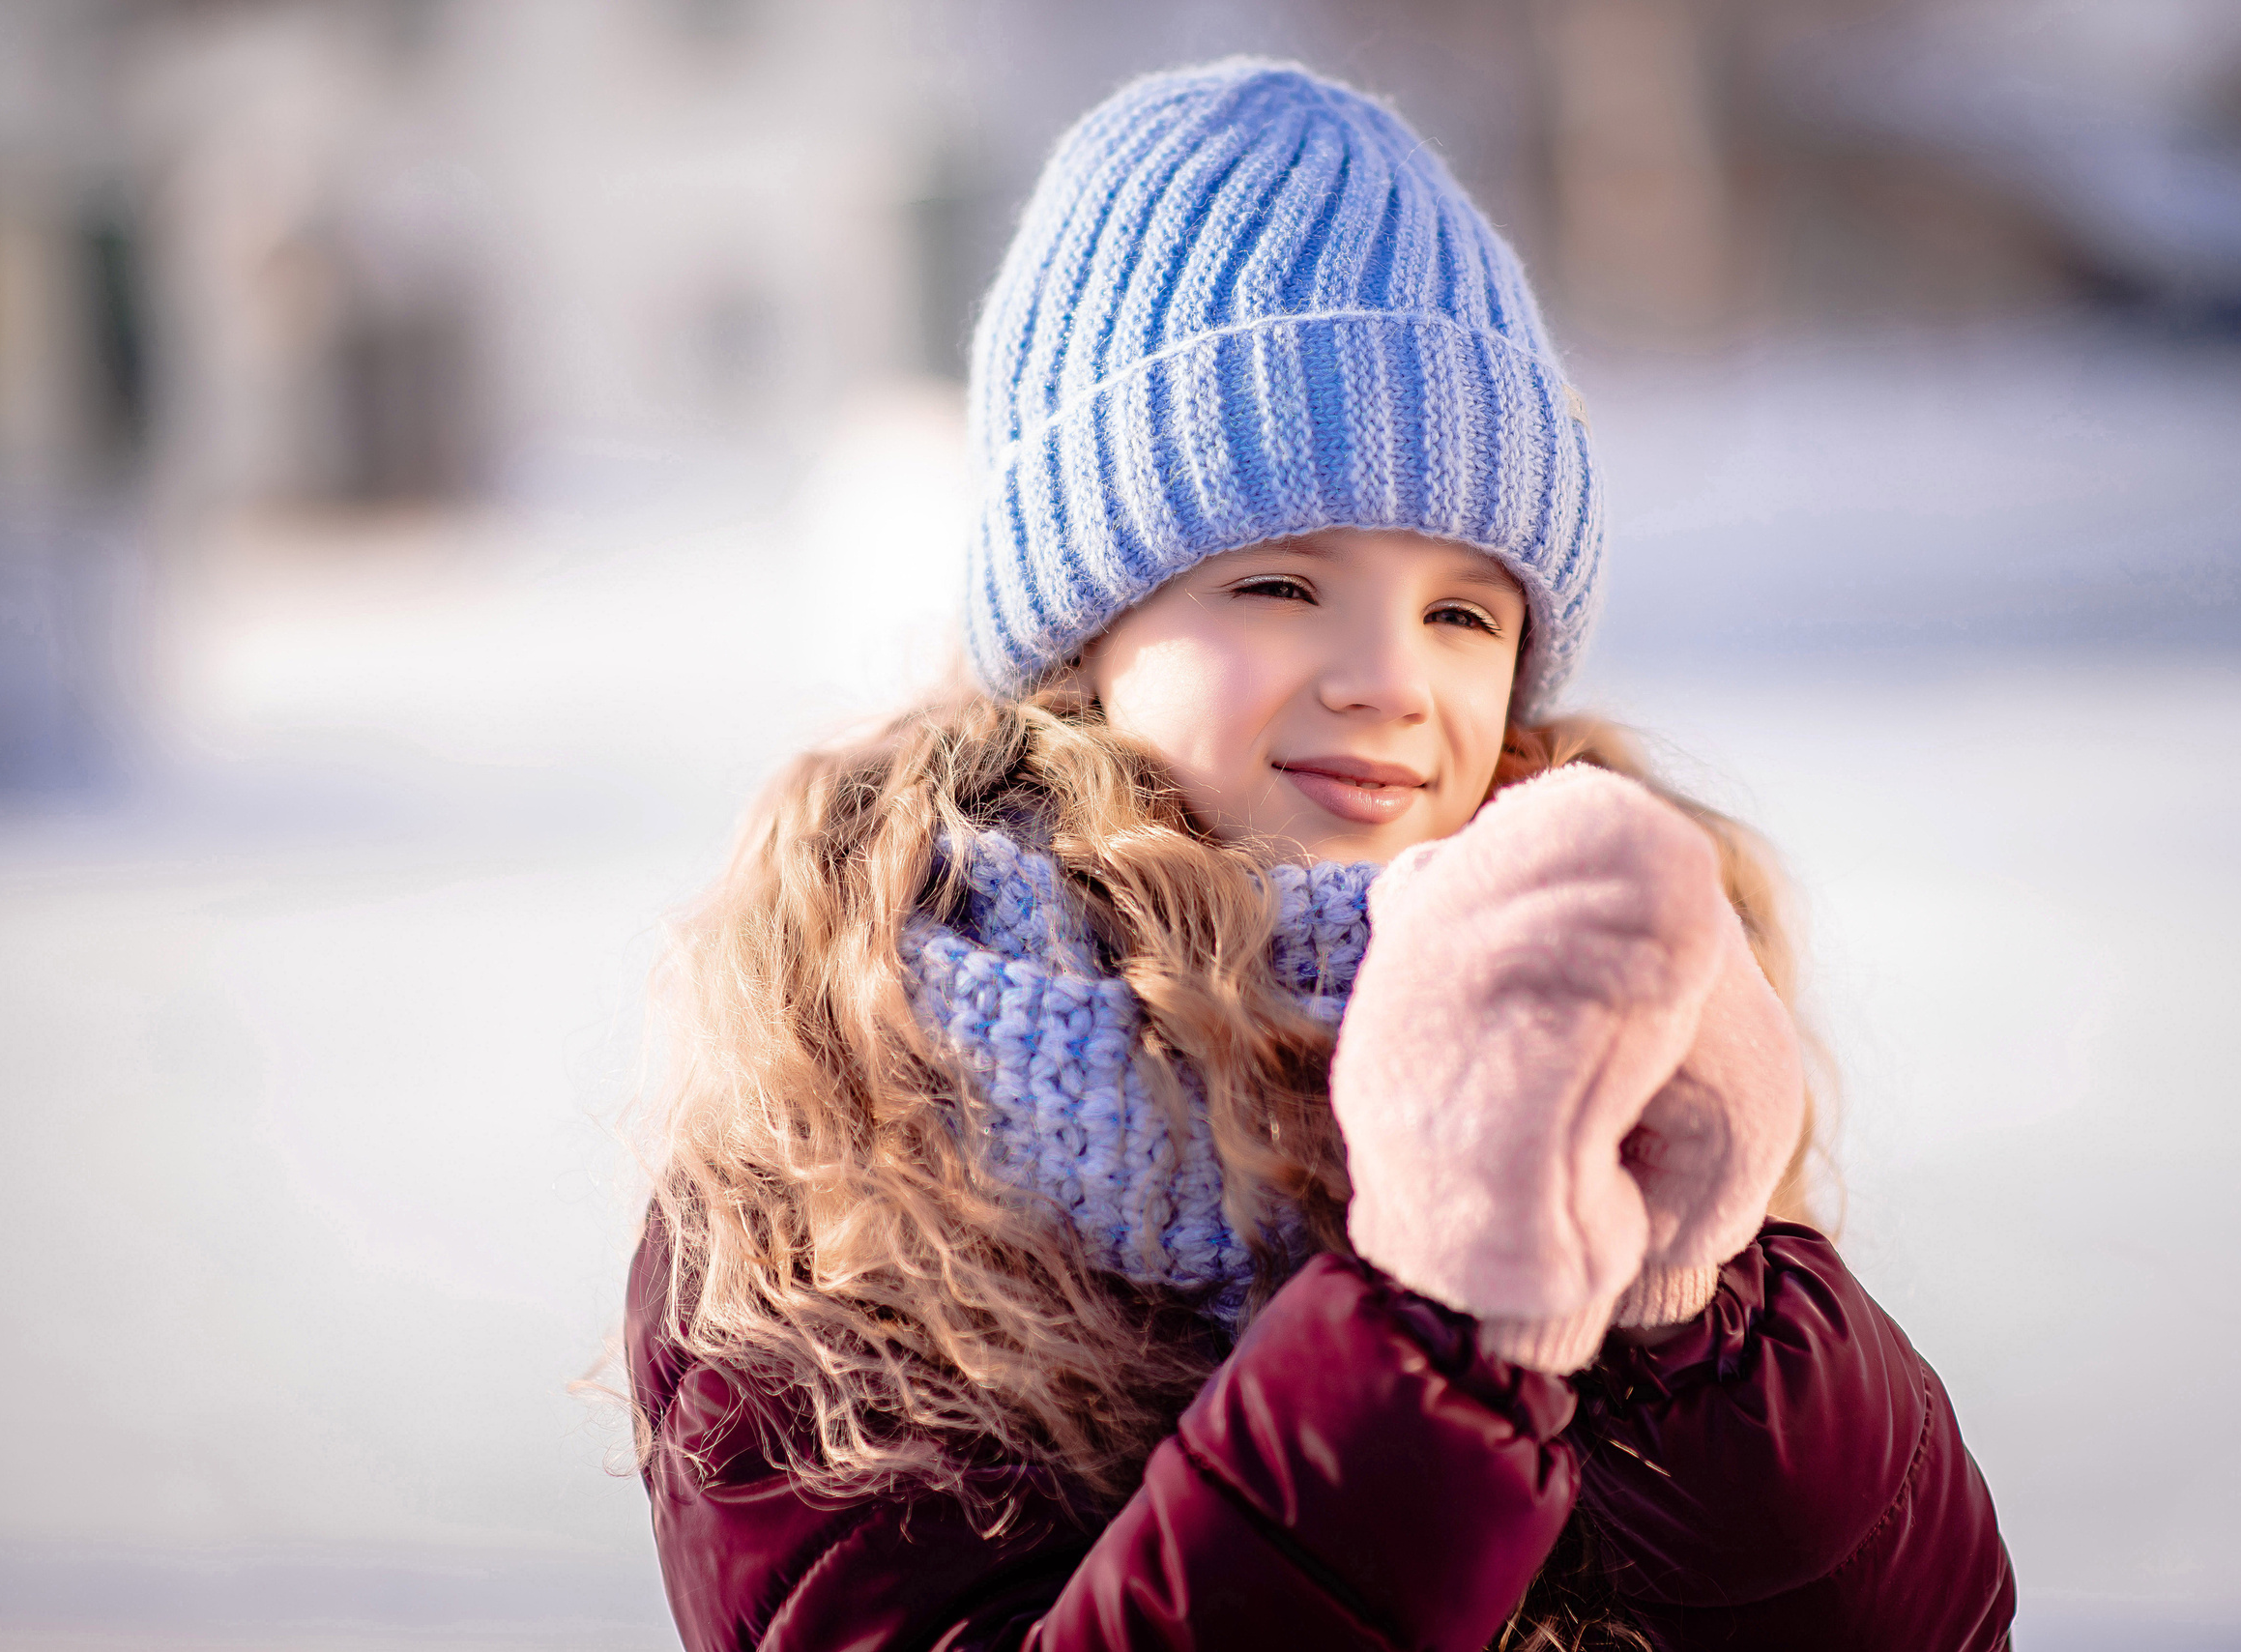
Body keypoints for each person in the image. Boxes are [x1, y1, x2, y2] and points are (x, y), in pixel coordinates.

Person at [624, 59, 2014, 1652]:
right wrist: (1432, 1332)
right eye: (1283, 585)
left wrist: (1705, 1317)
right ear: (1085, 622)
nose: (1389, 678)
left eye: (1464, 612)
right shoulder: (854, 1121)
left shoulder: (1607, 988)